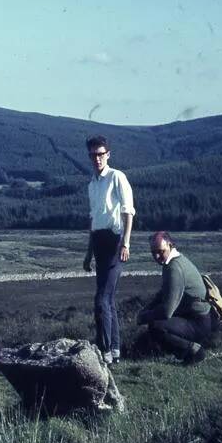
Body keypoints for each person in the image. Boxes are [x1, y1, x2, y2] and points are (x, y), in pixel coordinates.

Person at [83, 135, 135, 365]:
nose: (97, 159)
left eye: (101, 154)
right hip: (99, 241)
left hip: (115, 241)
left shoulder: (117, 177)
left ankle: (104, 352)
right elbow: (94, 219)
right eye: (93, 155)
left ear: (108, 155)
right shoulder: (92, 184)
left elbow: (128, 212)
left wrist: (126, 242)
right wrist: (88, 252)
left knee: (101, 300)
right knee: (109, 300)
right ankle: (114, 351)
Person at [137, 231, 212, 364]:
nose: (157, 256)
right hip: (198, 318)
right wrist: (147, 309)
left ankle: (194, 352)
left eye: (160, 251)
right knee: (156, 323)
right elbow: (162, 294)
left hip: (198, 322)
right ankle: (189, 352)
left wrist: (144, 317)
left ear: (170, 246)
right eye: (153, 252)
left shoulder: (174, 268)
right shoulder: (174, 261)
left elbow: (166, 312)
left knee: (156, 327)